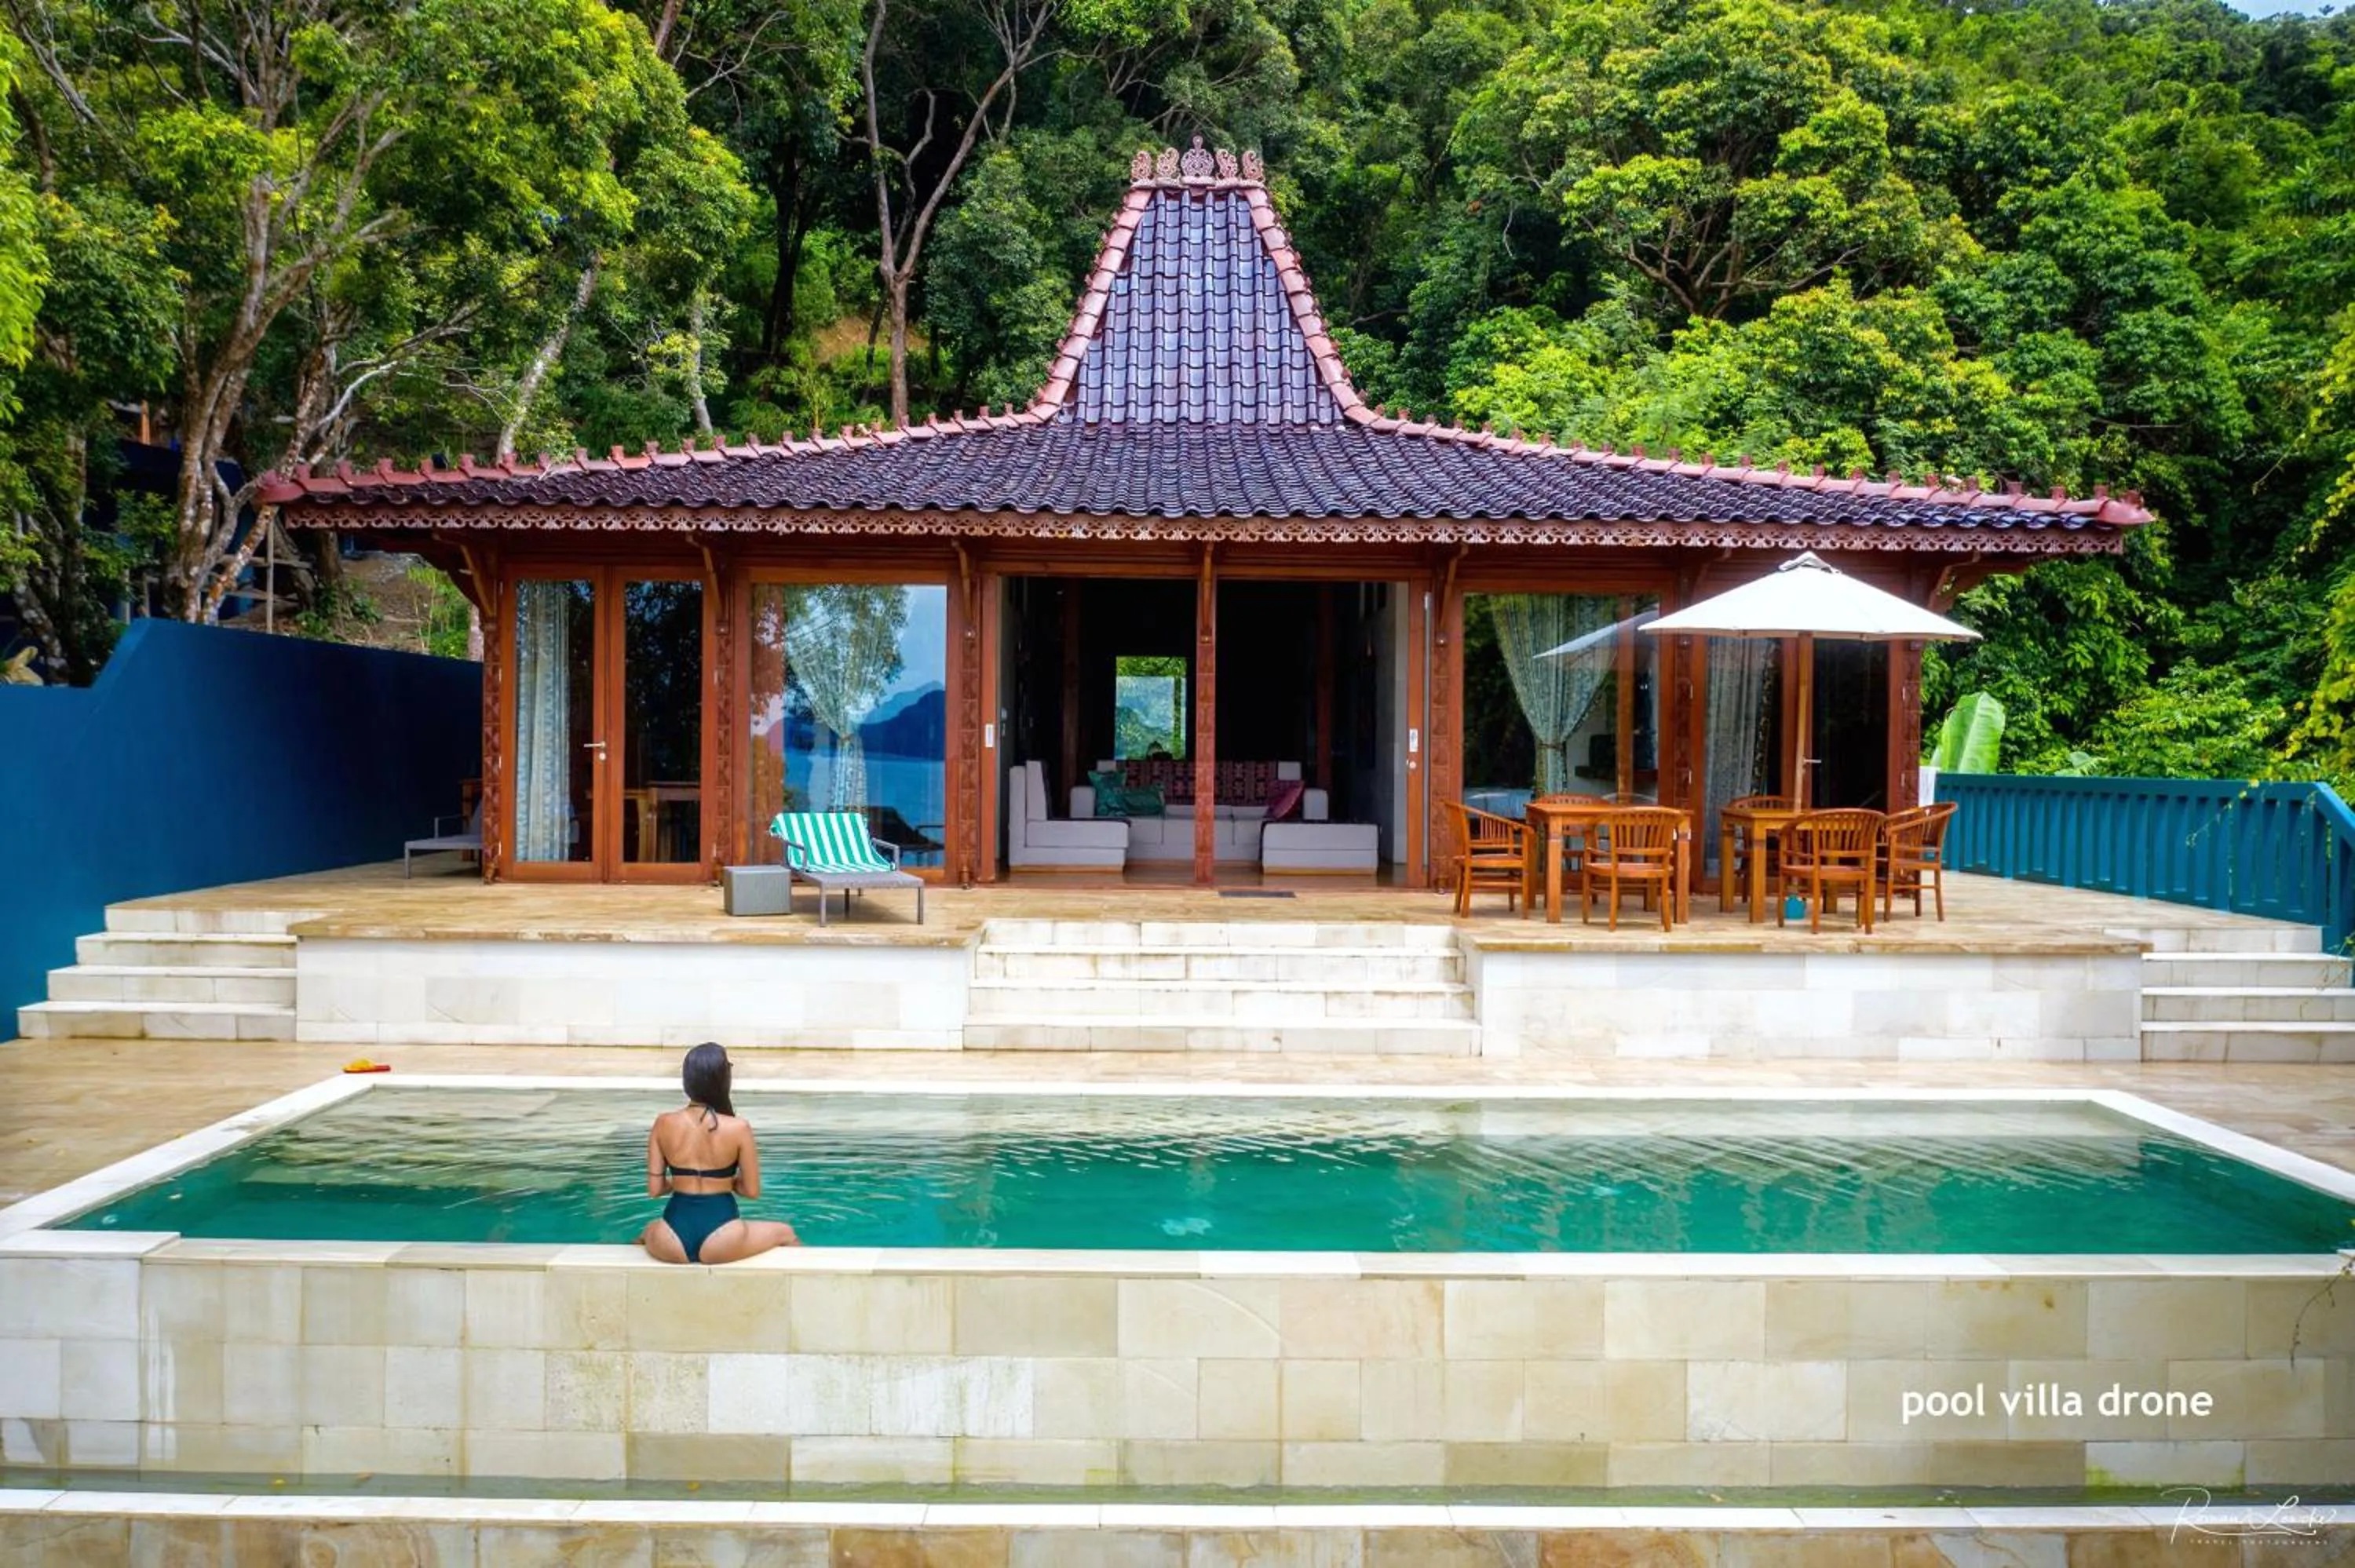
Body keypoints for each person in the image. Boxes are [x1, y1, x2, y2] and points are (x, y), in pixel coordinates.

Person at [639, 1043, 800, 1263]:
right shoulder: (739, 1128)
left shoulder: (663, 1123)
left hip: (670, 1235)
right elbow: (751, 1191)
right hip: (723, 1236)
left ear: (687, 1079)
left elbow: (655, 1190)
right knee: (786, 1233)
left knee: (645, 1234)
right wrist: (724, 1182)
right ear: (723, 1080)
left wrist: (683, 1181)